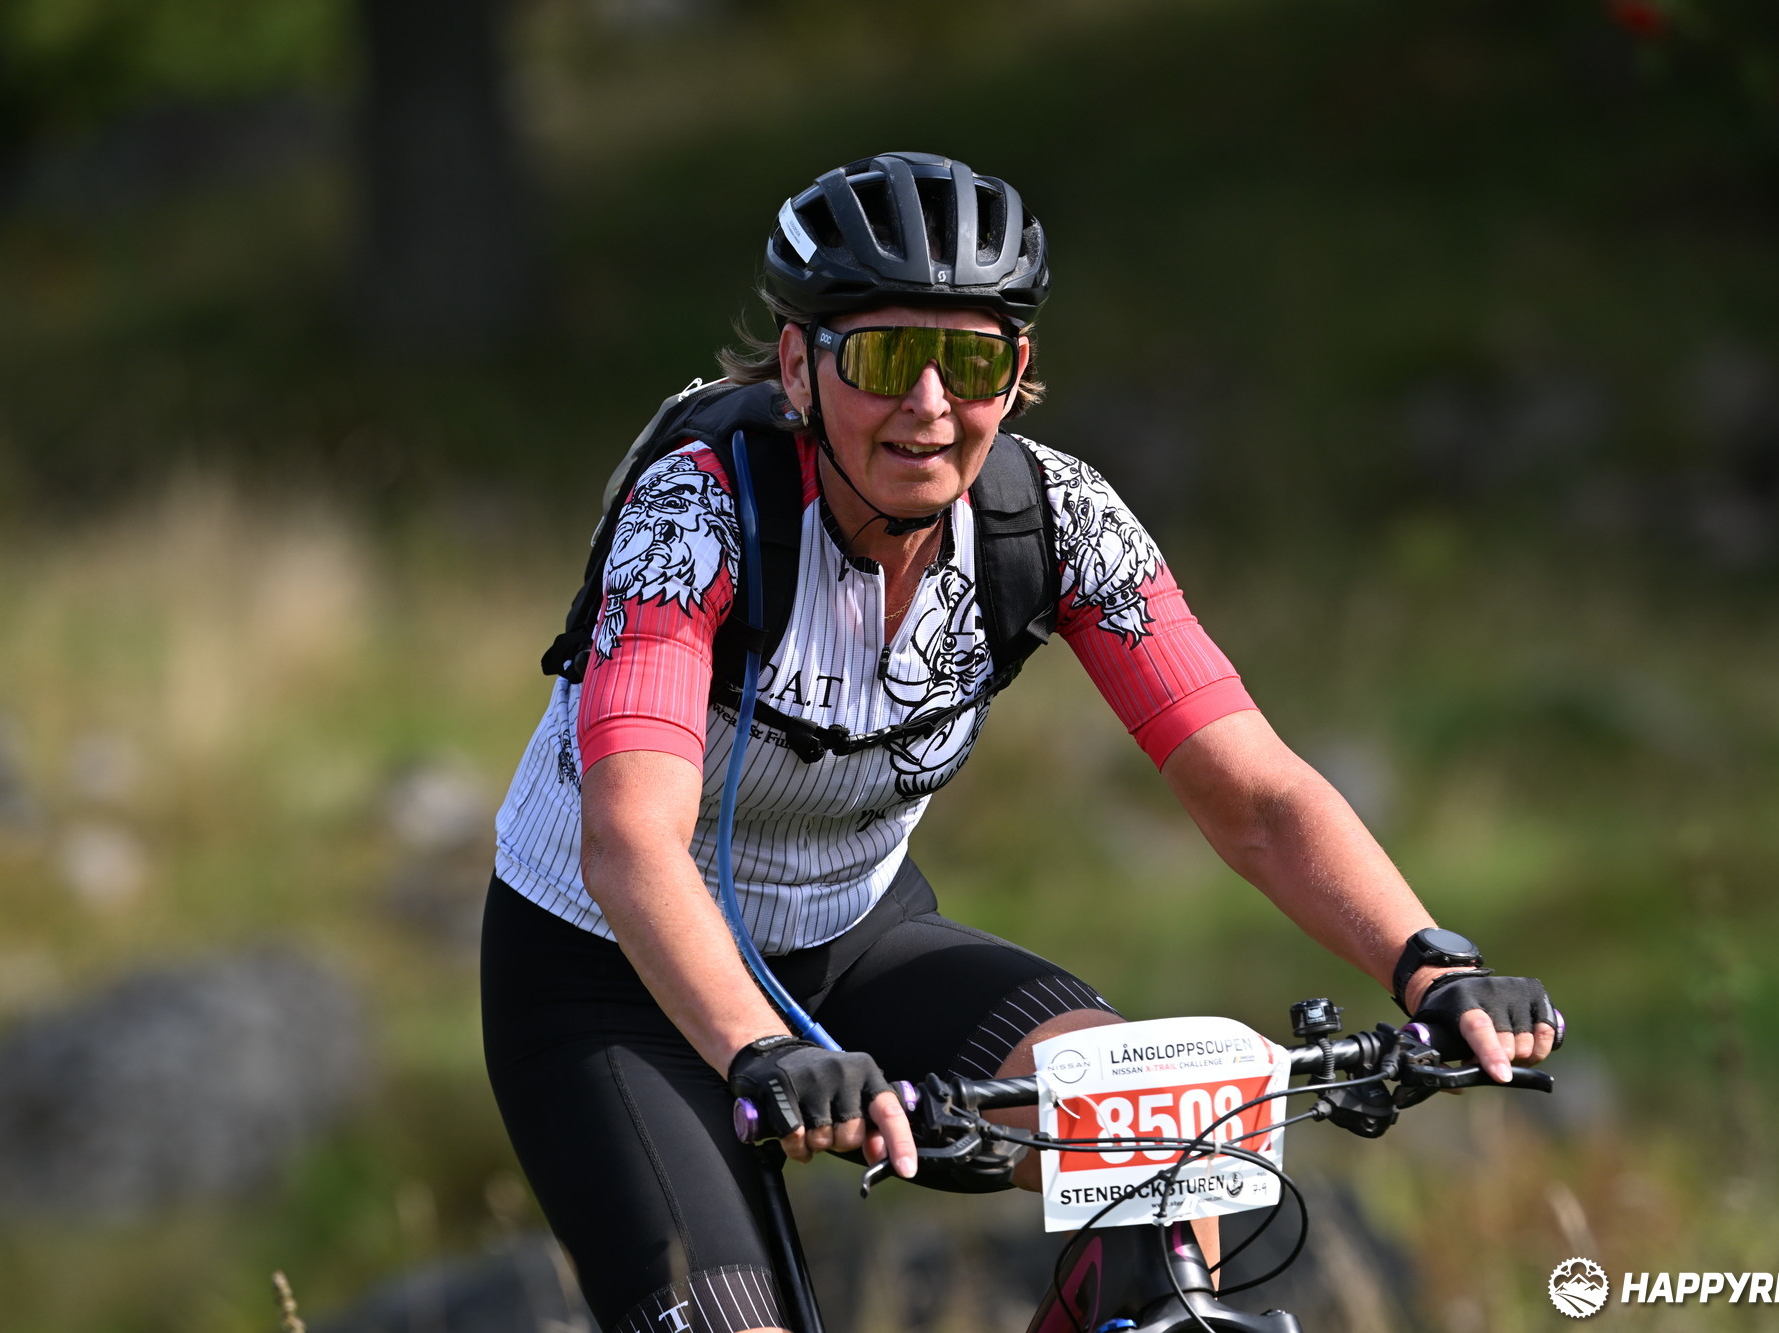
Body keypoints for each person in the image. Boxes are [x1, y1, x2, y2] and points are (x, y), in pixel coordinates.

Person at [483, 151, 1558, 1333]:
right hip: (606, 973)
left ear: (1017, 371)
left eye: (971, 362)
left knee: (1165, 1151)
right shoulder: (695, 516)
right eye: (884, 358)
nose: (928, 404)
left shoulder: (1057, 520)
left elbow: (1255, 796)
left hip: (847, 938)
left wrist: (1431, 965)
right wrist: (756, 1048)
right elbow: (631, 840)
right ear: (797, 366)